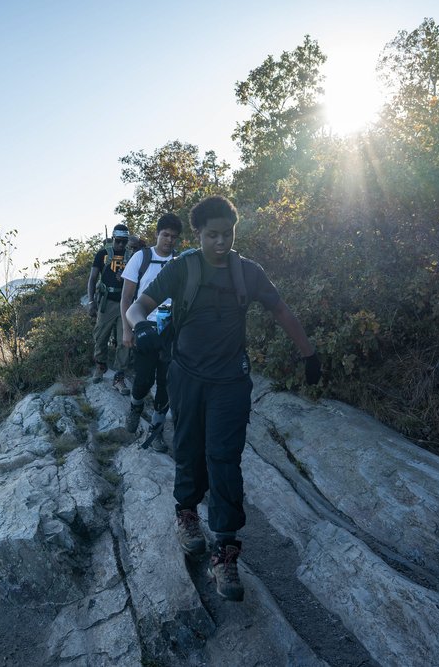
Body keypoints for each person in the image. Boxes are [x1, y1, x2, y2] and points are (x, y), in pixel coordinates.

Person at [125, 195, 321, 602]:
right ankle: (187, 513)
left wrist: (309, 354)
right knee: (190, 448)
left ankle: (226, 550)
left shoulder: (247, 272)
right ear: (198, 234)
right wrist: (140, 328)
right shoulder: (183, 268)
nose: (221, 242)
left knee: (225, 457)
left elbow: (281, 310)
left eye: (227, 234)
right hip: (187, 377)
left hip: (231, 381)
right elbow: (138, 306)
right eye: (212, 234)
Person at [120, 213, 182, 446]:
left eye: (174, 237)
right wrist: (128, 330)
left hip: (171, 329)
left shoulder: (179, 261)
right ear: (157, 234)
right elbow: (127, 298)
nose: (169, 240)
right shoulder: (141, 257)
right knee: (144, 380)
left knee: (167, 382)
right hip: (144, 327)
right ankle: (136, 406)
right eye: (165, 235)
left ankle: (155, 430)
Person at [87, 224, 132, 394]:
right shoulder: (103, 254)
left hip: (125, 302)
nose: (121, 245)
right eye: (118, 241)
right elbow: (92, 278)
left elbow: (137, 279)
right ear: (113, 239)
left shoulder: (131, 256)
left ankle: (119, 376)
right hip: (107, 301)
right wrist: (91, 302)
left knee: (124, 340)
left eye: (124, 241)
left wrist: (125, 278)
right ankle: (100, 365)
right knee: (100, 335)